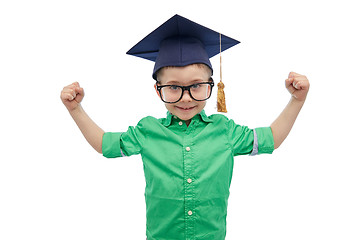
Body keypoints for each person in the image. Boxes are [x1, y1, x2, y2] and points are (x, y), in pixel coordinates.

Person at [60, 15, 309, 240]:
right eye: (173, 87)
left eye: (197, 86)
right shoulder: (147, 131)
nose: (186, 98)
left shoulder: (225, 131)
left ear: (213, 85)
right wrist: (75, 110)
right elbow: (105, 145)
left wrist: (296, 100)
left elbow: (271, 139)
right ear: (158, 90)